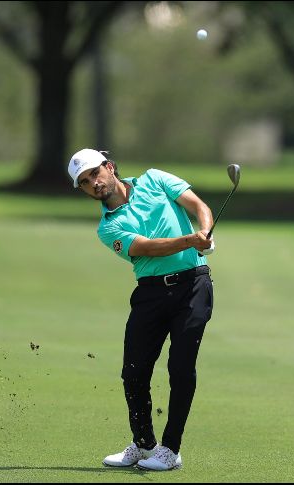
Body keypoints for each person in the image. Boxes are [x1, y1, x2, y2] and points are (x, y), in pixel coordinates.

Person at [68, 148, 215, 471]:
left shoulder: (156, 179)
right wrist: (191, 240)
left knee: (180, 367)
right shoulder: (107, 229)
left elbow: (198, 205)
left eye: (95, 173)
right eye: (84, 182)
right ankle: (143, 443)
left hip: (193, 287)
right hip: (150, 294)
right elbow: (146, 248)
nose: (93, 183)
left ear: (109, 167)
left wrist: (204, 232)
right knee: (134, 372)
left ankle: (170, 450)